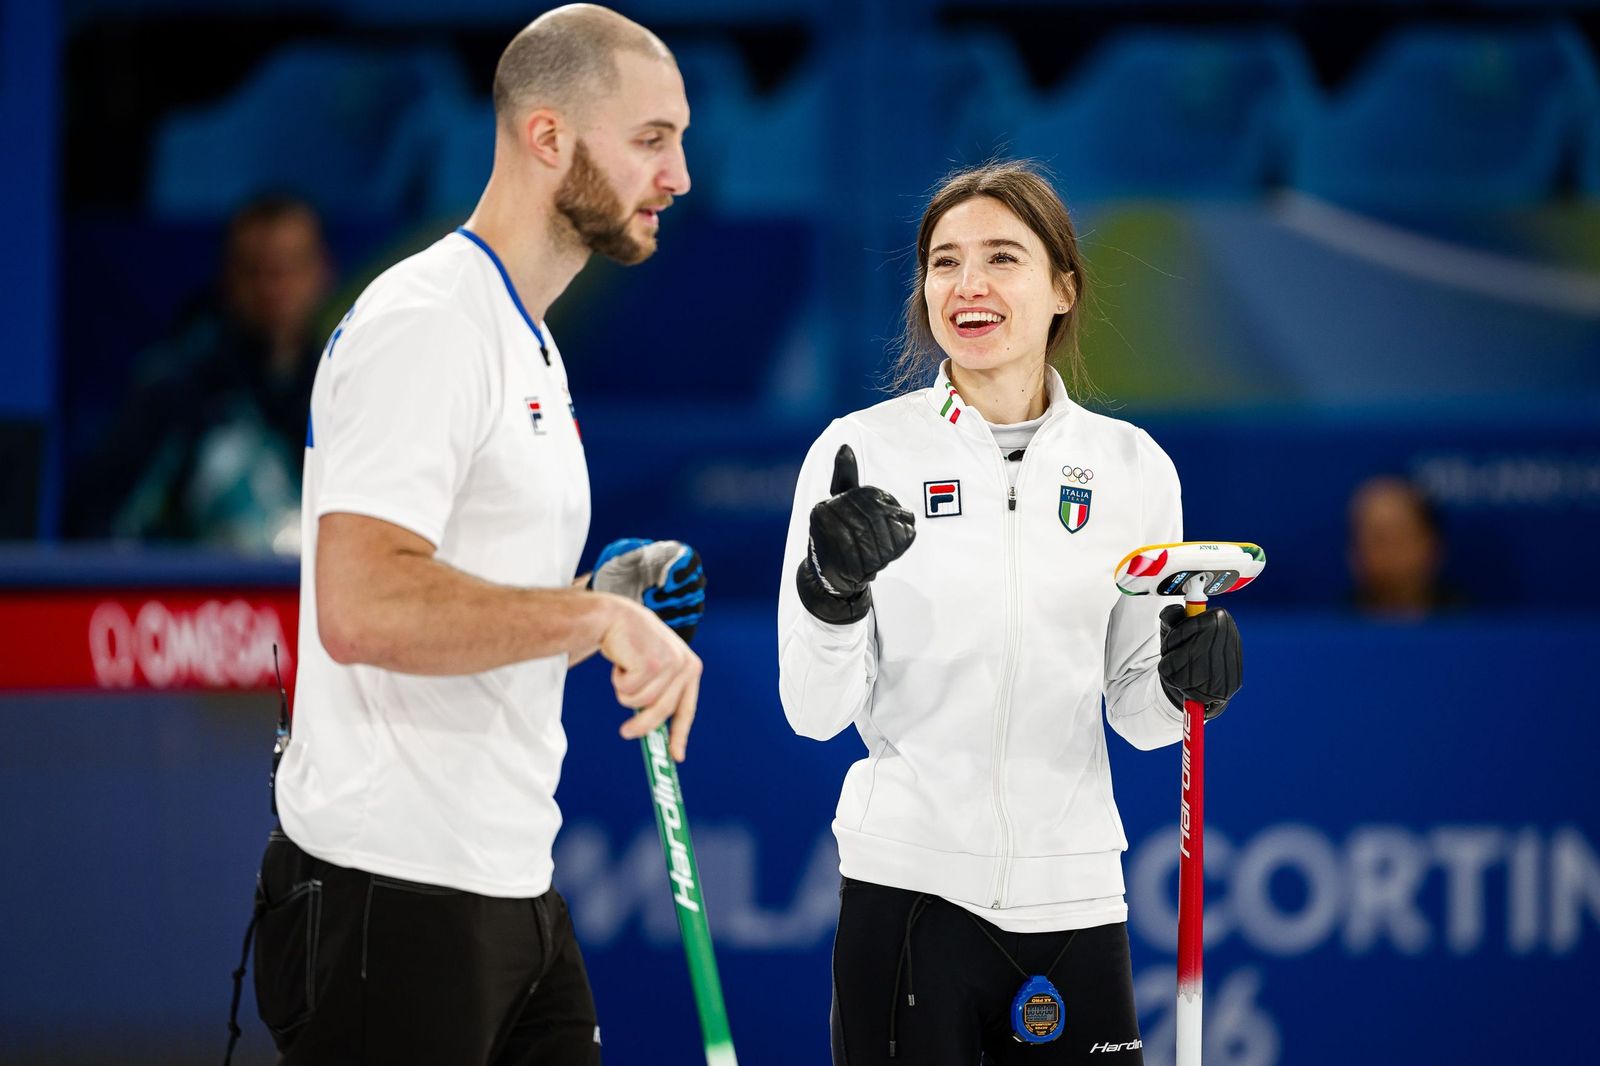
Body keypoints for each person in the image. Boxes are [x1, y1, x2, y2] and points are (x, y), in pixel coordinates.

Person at [244, 7, 701, 1064]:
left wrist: (603, 595)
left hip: (507, 883)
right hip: (390, 901)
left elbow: (471, 579)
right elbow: (364, 606)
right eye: (650, 139)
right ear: (548, 138)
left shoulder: (524, 336)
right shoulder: (430, 325)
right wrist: (587, 616)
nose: (678, 174)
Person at [777, 161, 1247, 1065]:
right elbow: (812, 710)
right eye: (944, 262)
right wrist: (831, 594)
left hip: (1075, 904)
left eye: (1002, 256)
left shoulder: (1133, 467)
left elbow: (1141, 719)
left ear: (1063, 285)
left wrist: (1193, 685)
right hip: (907, 895)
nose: (970, 285)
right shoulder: (859, 452)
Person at [66, 194, 333, 552]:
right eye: (256, 270)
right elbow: (99, 524)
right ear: (227, 277)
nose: (274, 289)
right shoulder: (172, 389)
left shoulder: (347, 390)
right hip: (202, 599)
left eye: (289, 269)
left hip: (322, 596)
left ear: (322, 273)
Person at [1348, 474, 1450, 619]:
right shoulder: (1333, 632)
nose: (1390, 552)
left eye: (1400, 537)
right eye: (1379, 539)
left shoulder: (1468, 626)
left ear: (1431, 544)